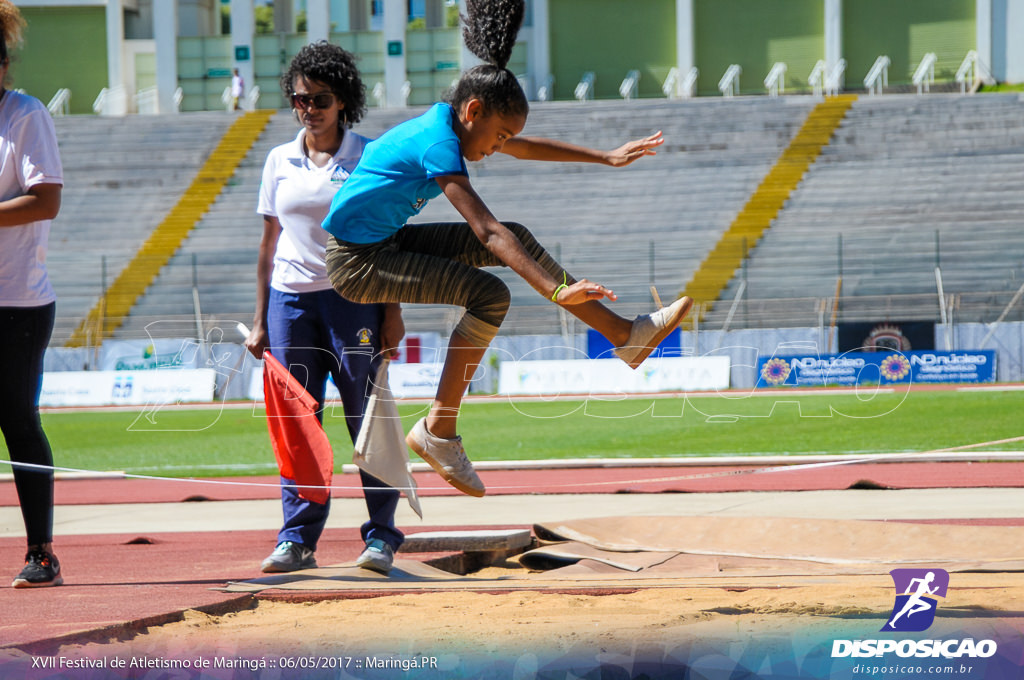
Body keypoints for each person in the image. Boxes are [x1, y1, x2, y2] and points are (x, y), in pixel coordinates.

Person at [322, 0, 692, 498]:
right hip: (357, 261)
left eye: (505, 139)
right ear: (473, 111)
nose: (499, 147)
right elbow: (486, 230)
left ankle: (624, 336)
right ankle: (438, 432)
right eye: (497, 136)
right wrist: (555, 290)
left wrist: (605, 156)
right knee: (489, 293)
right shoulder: (437, 143)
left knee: (516, 237)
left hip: (383, 242)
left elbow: (527, 146)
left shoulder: (451, 125)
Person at [244, 41, 405, 575]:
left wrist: (392, 311)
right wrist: (262, 317)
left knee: (368, 420)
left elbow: (387, 239)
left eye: (320, 98)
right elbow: (268, 244)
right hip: (291, 303)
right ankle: (297, 539)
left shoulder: (369, 155)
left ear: (343, 101)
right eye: (299, 99)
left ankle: (381, 537)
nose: (308, 108)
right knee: (298, 421)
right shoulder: (277, 160)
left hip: (355, 298)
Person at [0, 0, 64, 588]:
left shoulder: (23, 114)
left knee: (17, 419)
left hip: (16, 301)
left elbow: (45, 199)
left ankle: (42, 552)